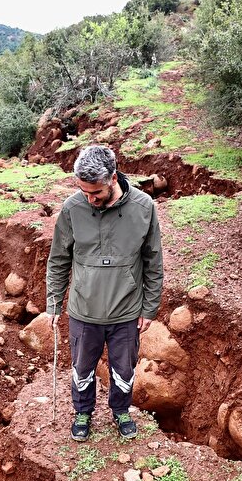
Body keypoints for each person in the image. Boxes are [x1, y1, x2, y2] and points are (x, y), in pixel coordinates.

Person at [44, 144, 164, 441]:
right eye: (84, 192)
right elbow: (58, 259)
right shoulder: (72, 208)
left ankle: (120, 410)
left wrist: (149, 308)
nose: (90, 199)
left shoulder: (144, 207)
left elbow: (153, 261)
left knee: (124, 368)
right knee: (82, 367)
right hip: (83, 312)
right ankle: (83, 412)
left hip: (126, 312)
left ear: (112, 178)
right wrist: (53, 303)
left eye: (95, 192)